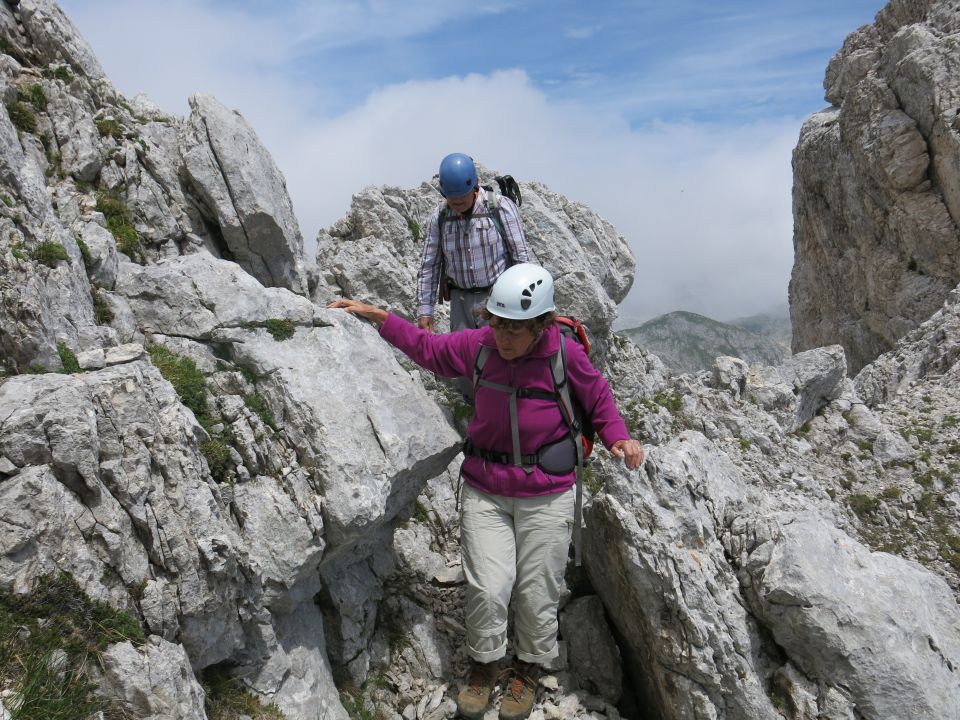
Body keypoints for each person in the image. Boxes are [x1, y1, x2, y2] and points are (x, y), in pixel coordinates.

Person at [329, 263, 644, 720]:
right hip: (486, 488)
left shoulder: (564, 353)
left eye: (516, 330)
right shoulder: (480, 346)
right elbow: (428, 348)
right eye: (498, 325)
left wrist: (619, 437)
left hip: (548, 492)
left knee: (538, 589)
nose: (505, 339)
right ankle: (485, 663)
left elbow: (597, 398)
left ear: (541, 325)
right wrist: (378, 316)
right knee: (489, 586)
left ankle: (529, 666)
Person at [416, 152, 530, 335]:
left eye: (463, 198)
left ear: (475, 185)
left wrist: (525, 304)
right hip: (460, 303)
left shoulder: (499, 207)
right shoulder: (440, 217)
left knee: (498, 357)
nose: (458, 203)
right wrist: (425, 311)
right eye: (452, 200)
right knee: (463, 360)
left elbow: (521, 258)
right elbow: (430, 265)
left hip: (498, 299)